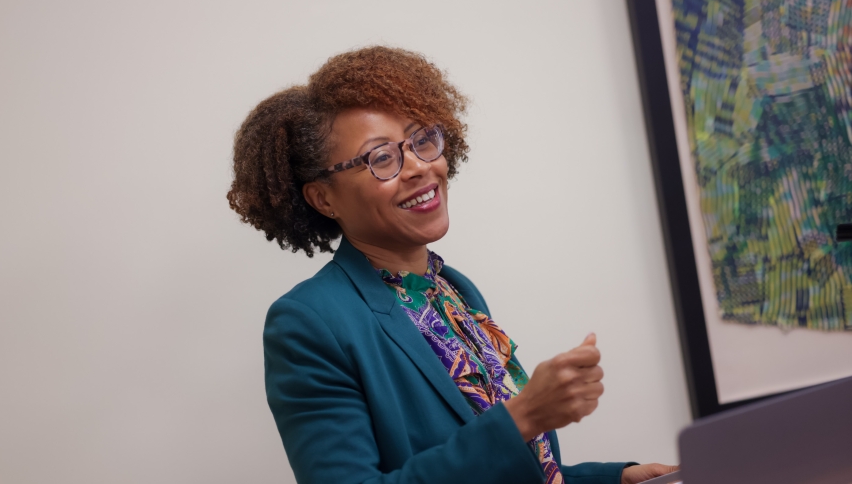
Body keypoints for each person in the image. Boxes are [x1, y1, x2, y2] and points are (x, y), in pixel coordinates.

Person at [228, 46, 678, 483]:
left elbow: (509, 468)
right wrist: (522, 416)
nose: (419, 167)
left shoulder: (453, 289)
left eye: (422, 140)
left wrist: (613, 479)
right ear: (323, 198)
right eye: (382, 157)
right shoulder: (308, 323)